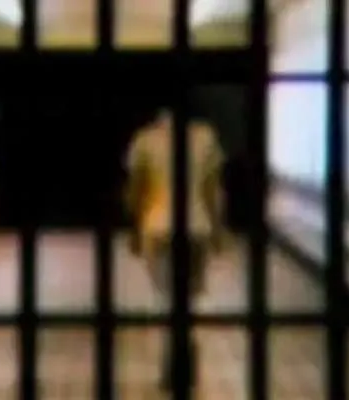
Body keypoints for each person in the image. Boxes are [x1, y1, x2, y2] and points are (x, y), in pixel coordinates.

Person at [124, 108, 225, 391]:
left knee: (166, 298)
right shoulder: (205, 137)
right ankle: (186, 360)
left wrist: (134, 228)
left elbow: (137, 189)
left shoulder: (145, 139)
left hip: (159, 227)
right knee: (189, 298)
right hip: (197, 227)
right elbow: (213, 189)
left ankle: (172, 366)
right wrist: (218, 230)